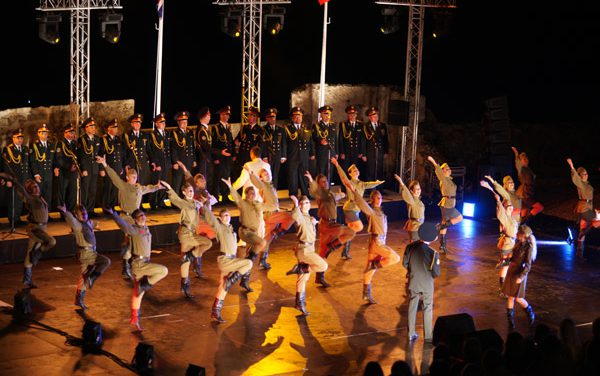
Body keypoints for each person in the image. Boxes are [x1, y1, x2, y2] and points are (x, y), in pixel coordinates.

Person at [96, 154, 165, 280]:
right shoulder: (123, 186)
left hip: (136, 218)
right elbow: (114, 177)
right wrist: (105, 164)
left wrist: (157, 187)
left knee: (135, 241)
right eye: (132, 177)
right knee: (129, 240)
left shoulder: (138, 187)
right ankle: (126, 266)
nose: (135, 179)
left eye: (136, 177)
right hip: (126, 217)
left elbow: (148, 188)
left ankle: (132, 263)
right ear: (127, 178)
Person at [107, 207, 168, 331]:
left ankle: (134, 318)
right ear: (135, 220)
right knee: (163, 271)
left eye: (143, 215)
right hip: (139, 264)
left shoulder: (145, 228)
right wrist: (114, 215)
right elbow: (123, 225)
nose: (143, 217)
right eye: (140, 216)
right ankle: (145, 285)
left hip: (144, 262)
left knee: (138, 292)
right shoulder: (134, 230)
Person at [344, 180, 400, 304]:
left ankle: (366, 293)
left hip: (377, 242)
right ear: (372, 200)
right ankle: (374, 265)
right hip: (377, 242)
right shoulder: (372, 211)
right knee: (395, 258)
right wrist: (354, 191)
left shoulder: (380, 212)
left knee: (369, 269)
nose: (379, 199)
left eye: (380, 197)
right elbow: (362, 204)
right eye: (377, 198)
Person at [0, 174, 56, 288]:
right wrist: (14, 181)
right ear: (30, 190)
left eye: (36, 186)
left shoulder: (40, 198)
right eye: (33, 187)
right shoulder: (31, 199)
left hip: (42, 228)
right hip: (35, 229)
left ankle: (27, 279)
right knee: (51, 242)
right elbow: (22, 192)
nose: (36, 188)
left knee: (30, 254)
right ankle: (35, 256)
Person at [161, 180, 212, 298]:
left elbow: (205, 210)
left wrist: (205, 202)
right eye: (188, 191)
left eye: (192, 191)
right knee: (207, 243)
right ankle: (190, 259)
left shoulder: (195, 203)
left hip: (191, 232)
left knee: (186, 260)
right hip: (185, 233)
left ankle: (184, 286)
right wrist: (169, 187)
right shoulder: (183, 203)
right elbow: (175, 199)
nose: (190, 193)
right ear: (183, 192)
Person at [202, 204, 252, 323]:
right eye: (224, 216)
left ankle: (215, 311)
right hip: (225, 260)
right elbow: (212, 220)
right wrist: (205, 207)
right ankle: (231, 281)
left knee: (223, 287)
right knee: (248, 263)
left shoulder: (231, 229)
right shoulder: (220, 228)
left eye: (228, 215)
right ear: (220, 218)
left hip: (230, 260)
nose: (226, 217)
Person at [306, 170, 355, 287]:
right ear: (319, 184)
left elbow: (336, 196)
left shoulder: (329, 194)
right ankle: (331, 247)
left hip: (327, 225)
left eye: (326, 181)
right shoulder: (321, 193)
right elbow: (314, 191)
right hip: (327, 225)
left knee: (322, 252)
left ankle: (319, 277)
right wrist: (311, 180)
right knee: (350, 232)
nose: (326, 183)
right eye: (323, 182)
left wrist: (342, 194)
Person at [222, 177, 277, 282]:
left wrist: (268, 188)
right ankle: (241, 272)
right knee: (262, 243)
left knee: (249, 257)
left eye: (253, 193)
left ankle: (244, 279)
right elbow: (236, 197)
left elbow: (272, 205)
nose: (252, 195)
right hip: (246, 232)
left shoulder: (257, 204)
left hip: (254, 233)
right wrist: (230, 186)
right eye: (250, 193)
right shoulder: (243, 204)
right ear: (246, 194)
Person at [57, 204, 110, 310]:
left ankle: (79, 299)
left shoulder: (88, 222)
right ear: (77, 216)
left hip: (89, 252)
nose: (84, 215)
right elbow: (71, 220)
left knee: (83, 277)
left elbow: (94, 223)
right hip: (86, 254)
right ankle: (92, 278)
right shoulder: (78, 225)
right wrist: (65, 212)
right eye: (82, 215)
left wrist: (101, 222)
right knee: (105, 261)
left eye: (85, 213)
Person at [332, 156, 384, 259]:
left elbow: (370, 184)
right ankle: (340, 239)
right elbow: (342, 177)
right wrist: (337, 165)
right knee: (355, 229)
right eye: (354, 171)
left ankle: (344, 252)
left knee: (351, 231)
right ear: (350, 174)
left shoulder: (361, 184)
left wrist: (377, 182)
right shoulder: (349, 183)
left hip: (356, 209)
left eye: (357, 170)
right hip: (350, 208)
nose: (356, 172)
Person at [245, 165, 295, 270]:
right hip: (271, 214)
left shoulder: (270, 185)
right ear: (261, 178)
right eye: (264, 175)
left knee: (267, 239)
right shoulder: (263, 185)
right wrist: (251, 172)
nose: (267, 175)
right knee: (292, 216)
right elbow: (257, 182)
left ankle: (258, 259)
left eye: (267, 173)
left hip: (271, 214)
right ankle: (280, 231)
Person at [285, 195, 328, 315]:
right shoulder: (299, 216)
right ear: (300, 205)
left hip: (309, 248)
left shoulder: (308, 217)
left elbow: (308, 227)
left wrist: (313, 223)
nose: (306, 205)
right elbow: (295, 215)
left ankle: (299, 304)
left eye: (308, 202)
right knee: (323, 266)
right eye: (303, 203)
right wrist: (294, 203)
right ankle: (300, 268)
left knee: (302, 278)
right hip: (304, 250)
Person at [403, 222, 441, 342]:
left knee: (412, 306)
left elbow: (405, 263)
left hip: (414, 281)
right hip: (426, 284)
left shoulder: (410, 247)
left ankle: (411, 333)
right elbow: (436, 273)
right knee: (427, 307)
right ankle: (428, 337)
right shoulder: (432, 253)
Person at [481, 179, 519, 297]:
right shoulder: (504, 217)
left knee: (509, 265)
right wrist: (497, 200)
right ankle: (502, 288)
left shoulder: (512, 218)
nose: (510, 208)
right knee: (507, 266)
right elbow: (500, 210)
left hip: (511, 243)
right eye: (508, 206)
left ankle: (503, 266)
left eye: (511, 206)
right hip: (507, 243)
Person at [502, 225, 536, 330]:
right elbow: (513, 258)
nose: (516, 234)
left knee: (518, 298)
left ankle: (530, 313)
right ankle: (510, 323)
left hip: (519, 273)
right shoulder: (518, 244)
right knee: (510, 296)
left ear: (523, 235)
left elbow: (528, 265)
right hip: (512, 271)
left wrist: (521, 277)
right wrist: (505, 260)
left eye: (518, 233)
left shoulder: (528, 247)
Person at [427, 155, 463, 254]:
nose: (450, 170)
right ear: (443, 171)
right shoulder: (443, 179)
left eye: (449, 168)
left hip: (449, 203)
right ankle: (439, 228)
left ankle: (442, 245)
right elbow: (438, 170)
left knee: (445, 224)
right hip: (447, 204)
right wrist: (433, 161)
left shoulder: (449, 180)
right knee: (460, 217)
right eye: (447, 169)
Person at [567, 158, 599, 258]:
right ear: (580, 176)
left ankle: (579, 254)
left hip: (587, 208)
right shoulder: (581, 184)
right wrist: (572, 167)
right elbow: (575, 178)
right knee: (596, 221)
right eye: (584, 174)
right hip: (584, 209)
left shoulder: (587, 184)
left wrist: (594, 210)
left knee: (583, 229)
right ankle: (581, 235)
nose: (586, 175)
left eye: (586, 173)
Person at [284, 107, 315, 198]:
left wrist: (312, 153)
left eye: (300, 116)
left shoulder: (306, 128)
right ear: (292, 118)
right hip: (292, 156)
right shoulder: (287, 128)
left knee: (304, 175)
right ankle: (293, 194)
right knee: (292, 176)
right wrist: (284, 156)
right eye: (296, 117)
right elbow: (285, 143)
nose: (298, 118)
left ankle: (305, 193)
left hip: (304, 155)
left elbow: (310, 141)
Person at [2, 129, 31, 227]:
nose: (20, 140)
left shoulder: (25, 149)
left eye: (21, 138)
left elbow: (27, 164)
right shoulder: (8, 149)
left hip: (23, 178)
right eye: (18, 138)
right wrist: (8, 179)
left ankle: (18, 218)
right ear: (13, 138)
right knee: (13, 200)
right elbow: (6, 166)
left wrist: (28, 178)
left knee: (20, 200)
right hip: (14, 179)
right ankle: (13, 220)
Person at [512, 146, 544, 224]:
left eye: (526, 158)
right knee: (539, 207)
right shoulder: (521, 169)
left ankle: (521, 227)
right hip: (525, 194)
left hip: (527, 193)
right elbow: (518, 165)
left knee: (524, 212)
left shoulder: (528, 169)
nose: (526, 160)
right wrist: (516, 155)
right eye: (524, 159)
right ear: (521, 161)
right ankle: (511, 216)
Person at [77, 116, 102, 216]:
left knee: (93, 189)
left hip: (95, 168)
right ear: (86, 128)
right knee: (85, 189)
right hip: (86, 168)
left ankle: (91, 209)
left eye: (94, 126)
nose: (93, 128)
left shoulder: (97, 139)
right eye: (91, 126)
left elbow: (100, 154)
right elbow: (81, 156)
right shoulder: (82, 140)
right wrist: (83, 169)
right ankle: (84, 210)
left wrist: (101, 168)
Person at [28, 124, 55, 213]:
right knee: (37, 196)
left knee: (48, 195)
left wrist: (55, 168)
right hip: (39, 174)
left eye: (46, 133)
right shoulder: (34, 145)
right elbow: (33, 161)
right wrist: (36, 174)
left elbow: (53, 159)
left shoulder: (51, 144)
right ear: (38, 134)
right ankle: (37, 215)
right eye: (43, 133)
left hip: (48, 174)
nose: (45, 135)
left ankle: (46, 214)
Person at [100, 119, 125, 211]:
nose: (116, 129)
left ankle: (113, 206)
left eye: (116, 127)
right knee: (108, 187)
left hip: (117, 167)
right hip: (109, 167)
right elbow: (101, 154)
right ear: (109, 129)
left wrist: (121, 166)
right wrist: (102, 168)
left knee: (115, 188)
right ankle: (106, 207)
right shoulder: (104, 139)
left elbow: (121, 154)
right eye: (114, 127)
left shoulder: (118, 139)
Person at [211, 106, 234, 203]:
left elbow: (230, 142)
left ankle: (225, 195)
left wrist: (233, 154)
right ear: (221, 115)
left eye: (228, 115)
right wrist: (216, 157)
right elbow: (213, 144)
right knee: (218, 177)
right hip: (220, 157)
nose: (227, 117)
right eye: (225, 114)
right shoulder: (216, 128)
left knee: (226, 176)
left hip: (228, 157)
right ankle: (216, 197)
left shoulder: (228, 127)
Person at [147, 113, 171, 210]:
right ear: (156, 124)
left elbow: (168, 149)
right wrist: (155, 163)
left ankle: (161, 202)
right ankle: (153, 203)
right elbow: (150, 150)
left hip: (165, 163)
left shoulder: (166, 133)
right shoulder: (152, 135)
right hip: (158, 163)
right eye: (161, 122)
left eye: (164, 121)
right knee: (156, 183)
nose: (163, 123)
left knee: (164, 183)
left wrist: (169, 162)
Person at [170, 111, 196, 198]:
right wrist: (175, 162)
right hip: (180, 162)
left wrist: (194, 159)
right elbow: (173, 149)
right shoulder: (175, 133)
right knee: (177, 183)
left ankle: (186, 199)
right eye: (183, 121)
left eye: (186, 121)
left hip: (188, 161)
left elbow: (192, 147)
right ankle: (175, 202)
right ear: (178, 122)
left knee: (187, 182)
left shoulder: (189, 132)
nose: (185, 123)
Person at [54, 124, 79, 213]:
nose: (73, 134)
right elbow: (59, 158)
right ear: (65, 133)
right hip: (64, 172)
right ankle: (63, 212)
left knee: (72, 193)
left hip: (73, 172)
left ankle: (71, 211)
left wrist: (76, 166)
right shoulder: (61, 144)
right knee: (62, 193)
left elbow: (78, 156)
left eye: (73, 132)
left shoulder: (75, 143)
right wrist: (69, 166)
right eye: (70, 132)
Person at [235, 106, 264, 175]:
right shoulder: (244, 128)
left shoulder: (259, 130)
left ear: (255, 117)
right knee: (241, 175)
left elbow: (260, 146)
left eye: (251, 115)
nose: (248, 116)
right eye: (248, 114)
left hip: (251, 156)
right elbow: (237, 140)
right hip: (242, 156)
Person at [312, 105, 338, 182]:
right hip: (322, 152)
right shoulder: (316, 126)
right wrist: (320, 141)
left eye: (329, 114)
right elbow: (313, 139)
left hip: (331, 152)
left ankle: (328, 189)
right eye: (325, 114)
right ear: (321, 115)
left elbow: (335, 139)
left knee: (330, 171)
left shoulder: (333, 125)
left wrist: (336, 152)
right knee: (321, 172)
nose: (327, 116)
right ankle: (320, 191)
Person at [338, 105, 366, 176]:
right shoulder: (343, 124)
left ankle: (354, 186)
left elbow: (362, 140)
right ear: (348, 115)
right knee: (345, 170)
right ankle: (345, 186)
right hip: (346, 151)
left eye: (354, 114)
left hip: (356, 151)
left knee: (355, 170)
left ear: (356, 115)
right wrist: (342, 152)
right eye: (350, 114)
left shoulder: (360, 124)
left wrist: (361, 152)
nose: (352, 116)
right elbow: (340, 139)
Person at [124, 114, 151, 187]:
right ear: (132, 124)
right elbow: (124, 151)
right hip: (132, 163)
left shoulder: (145, 135)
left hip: (142, 164)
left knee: (142, 184)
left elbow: (148, 149)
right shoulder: (127, 135)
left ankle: (140, 199)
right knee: (132, 184)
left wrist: (151, 161)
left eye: (139, 123)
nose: (138, 124)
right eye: (136, 123)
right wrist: (126, 164)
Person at [363, 106, 389, 182]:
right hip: (370, 151)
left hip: (380, 150)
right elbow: (364, 141)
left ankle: (379, 188)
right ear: (369, 117)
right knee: (370, 169)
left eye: (376, 116)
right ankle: (370, 189)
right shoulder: (366, 126)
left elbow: (385, 139)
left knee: (379, 169)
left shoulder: (382, 125)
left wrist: (386, 151)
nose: (376, 117)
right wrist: (364, 154)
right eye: (374, 116)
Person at [262, 107, 286, 188]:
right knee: (267, 175)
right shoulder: (264, 129)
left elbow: (283, 143)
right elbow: (263, 145)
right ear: (266, 118)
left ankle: (274, 193)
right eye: (270, 117)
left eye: (274, 117)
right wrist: (264, 156)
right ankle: (268, 194)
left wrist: (283, 155)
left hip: (277, 155)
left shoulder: (281, 129)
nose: (272, 119)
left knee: (275, 175)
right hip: (268, 156)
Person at [194, 107, 212, 186]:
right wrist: (218, 152)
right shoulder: (201, 130)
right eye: (208, 115)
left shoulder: (205, 128)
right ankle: (202, 196)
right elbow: (206, 146)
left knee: (207, 179)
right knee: (202, 179)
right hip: (203, 158)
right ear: (204, 116)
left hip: (206, 158)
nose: (210, 117)